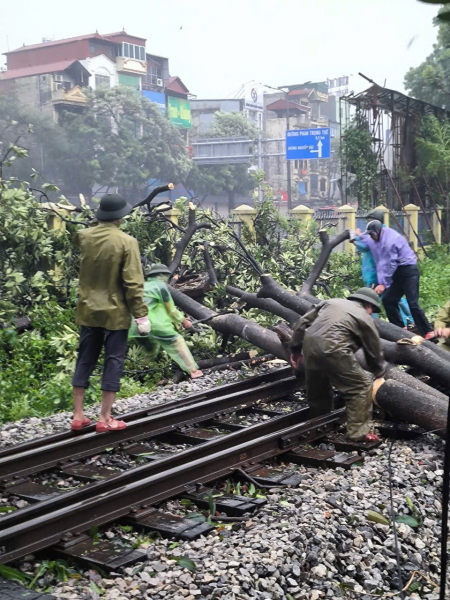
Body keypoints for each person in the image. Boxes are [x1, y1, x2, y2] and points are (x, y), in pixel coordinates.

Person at [71, 193, 150, 433]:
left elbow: (89, 239)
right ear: (120, 217)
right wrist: (141, 315)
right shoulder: (127, 242)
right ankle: (105, 418)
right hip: (115, 313)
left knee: (85, 359)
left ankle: (78, 415)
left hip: (88, 310)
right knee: (113, 361)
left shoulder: (83, 236)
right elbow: (133, 283)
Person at [289, 288, 386, 442]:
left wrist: (295, 349)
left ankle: (319, 425)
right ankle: (358, 434)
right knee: (360, 386)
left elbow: (302, 323)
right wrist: (379, 372)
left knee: (318, 387)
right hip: (335, 350)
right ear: (368, 305)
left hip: (310, 347)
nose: (371, 312)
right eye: (372, 309)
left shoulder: (329, 302)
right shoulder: (365, 317)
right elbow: (373, 349)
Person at [358, 220, 433, 338]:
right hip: (397, 274)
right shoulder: (377, 238)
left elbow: (389, 264)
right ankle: (400, 330)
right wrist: (357, 235)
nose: (371, 237)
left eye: (372, 234)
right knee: (388, 300)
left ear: (377, 231)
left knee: (413, 304)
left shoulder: (389, 241)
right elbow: (367, 240)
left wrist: (383, 284)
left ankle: (428, 332)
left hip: (408, 272)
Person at [128, 264, 203, 379]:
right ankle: (193, 371)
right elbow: (171, 310)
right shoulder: (160, 286)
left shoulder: (140, 287)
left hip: (134, 327)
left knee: (151, 349)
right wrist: (183, 321)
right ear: (161, 276)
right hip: (155, 325)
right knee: (177, 342)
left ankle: (138, 375)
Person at [353, 234, 414, 328]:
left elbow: (364, 246)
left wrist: (354, 239)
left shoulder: (374, 240)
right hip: (383, 276)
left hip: (375, 277)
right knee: (395, 299)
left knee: (371, 301)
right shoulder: (382, 238)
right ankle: (410, 319)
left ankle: (373, 325)